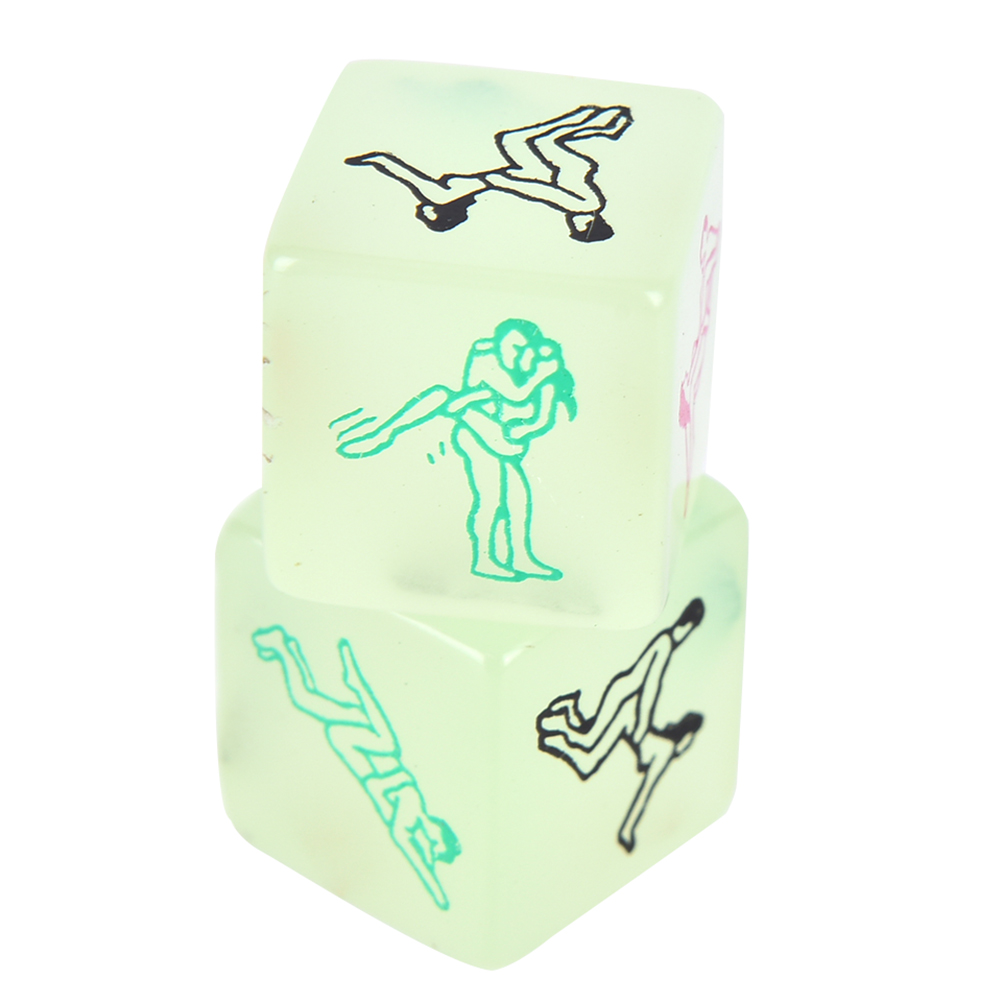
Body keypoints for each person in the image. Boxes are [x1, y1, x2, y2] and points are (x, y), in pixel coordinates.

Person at [335, 318, 576, 582]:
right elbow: (510, 394)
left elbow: (536, 416)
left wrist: (520, 421)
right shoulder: (488, 357)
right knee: (491, 498)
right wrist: (530, 380)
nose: (515, 354)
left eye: (522, 349)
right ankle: (485, 560)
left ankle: (520, 557)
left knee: (518, 500)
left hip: (503, 440)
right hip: (477, 432)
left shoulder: (542, 376)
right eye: (510, 347)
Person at [252, 626, 460, 910]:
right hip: (370, 747)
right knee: (308, 699)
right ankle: (290, 650)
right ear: (440, 830)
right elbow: (401, 831)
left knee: (370, 732)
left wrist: (436, 889)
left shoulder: (407, 823)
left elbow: (406, 845)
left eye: (433, 849)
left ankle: (346, 678)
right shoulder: (413, 812)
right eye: (438, 843)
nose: (431, 845)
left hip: (359, 749)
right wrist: (436, 888)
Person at [535, 598, 706, 851]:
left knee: (587, 746)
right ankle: (564, 719)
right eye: (690, 630)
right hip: (623, 696)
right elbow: (650, 687)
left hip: (624, 699)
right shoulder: (665, 642)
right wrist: (642, 725)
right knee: (588, 743)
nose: (687, 635)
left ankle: (566, 718)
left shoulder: (665, 745)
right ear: (687, 626)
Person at [345, 104, 633, 241]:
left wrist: (378, 160)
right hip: (552, 170)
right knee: (535, 142)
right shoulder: (586, 205)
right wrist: (501, 181)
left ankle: (595, 122)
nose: (573, 225)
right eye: (579, 228)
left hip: (533, 172)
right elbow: (539, 190)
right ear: (590, 224)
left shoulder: (442, 195)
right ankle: (594, 120)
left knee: (517, 140)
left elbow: (400, 171)